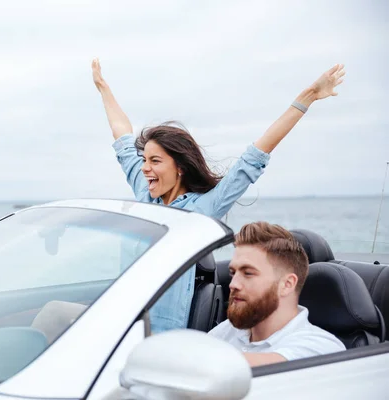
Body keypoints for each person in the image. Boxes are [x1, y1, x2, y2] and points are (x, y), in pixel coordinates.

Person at [92, 58, 345, 333]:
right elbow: (122, 137)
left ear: (179, 168)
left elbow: (254, 157)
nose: (145, 168)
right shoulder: (145, 192)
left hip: (158, 332)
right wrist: (103, 87)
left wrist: (306, 98)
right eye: (144, 160)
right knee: (52, 314)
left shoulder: (200, 210)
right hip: (121, 317)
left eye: (155, 161)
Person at [208, 222, 346, 367]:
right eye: (233, 273)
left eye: (248, 273)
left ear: (287, 284)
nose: (233, 284)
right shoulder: (229, 330)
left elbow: (226, 366)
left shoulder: (322, 347)